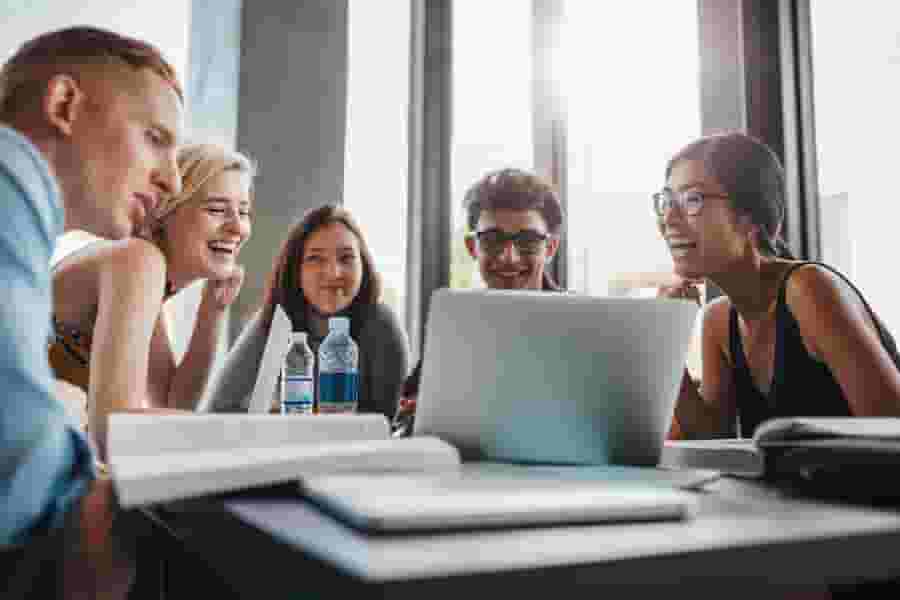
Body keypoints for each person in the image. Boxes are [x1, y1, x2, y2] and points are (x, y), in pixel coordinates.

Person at [0, 26, 184, 598]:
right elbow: (19, 458)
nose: (173, 180)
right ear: (63, 104)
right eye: (155, 137)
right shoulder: (11, 178)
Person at [657, 131, 900, 441]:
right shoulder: (719, 320)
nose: (669, 219)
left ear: (749, 216)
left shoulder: (809, 290)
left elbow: (894, 432)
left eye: (692, 200)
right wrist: (666, 338)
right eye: (666, 202)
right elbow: (711, 440)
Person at [49, 142, 255, 459]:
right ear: (165, 212)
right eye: (216, 210)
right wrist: (242, 434)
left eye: (244, 212)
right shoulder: (138, 260)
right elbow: (114, 430)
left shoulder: (147, 274)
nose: (237, 227)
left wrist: (211, 312)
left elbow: (173, 401)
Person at [393, 167, 564, 435]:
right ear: (473, 248)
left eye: (528, 241)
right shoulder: (455, 324)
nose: (510, 257)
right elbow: (405, 414)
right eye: (493, 241)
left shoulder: (581, 325)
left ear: (550, 248)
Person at [207, 203, 409, 419]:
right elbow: (219, 408)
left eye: (346, 258)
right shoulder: (277, 320)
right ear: (296, 270)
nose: (333, 273)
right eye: (316, 258)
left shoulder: (382, 325)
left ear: (364, 265)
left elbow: (385, 424)